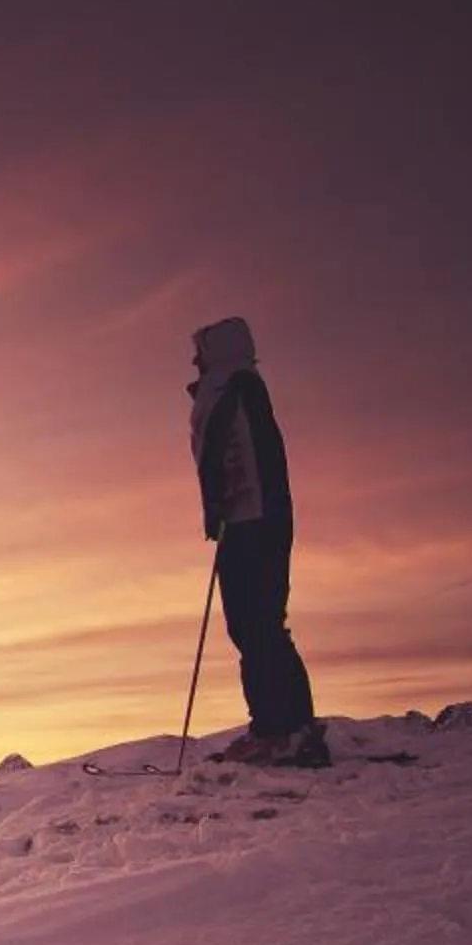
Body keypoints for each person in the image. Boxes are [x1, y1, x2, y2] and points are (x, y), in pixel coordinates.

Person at [189, 316, 327, 767]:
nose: (195, 358)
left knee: (256, 624)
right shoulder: (233, 387)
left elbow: (232, 457)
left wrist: (227, 509)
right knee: (260, 624)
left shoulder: (232, 389)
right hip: (254, 517)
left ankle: (279, 731)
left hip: (250, 520)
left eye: (201, 349)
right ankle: (287, 727)